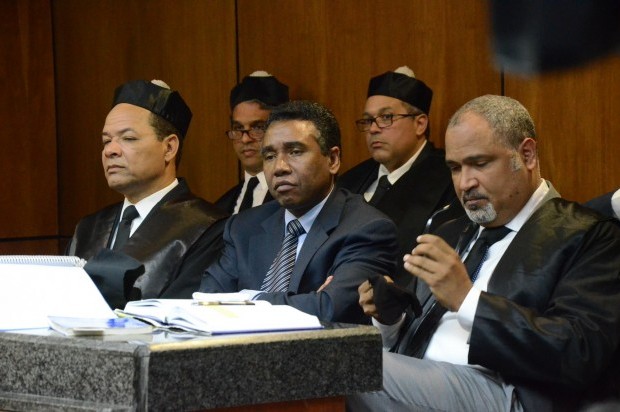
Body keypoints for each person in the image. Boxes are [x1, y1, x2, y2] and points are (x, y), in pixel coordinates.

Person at [348, 95, 620, 411]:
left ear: (527, 155)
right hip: (420, 379)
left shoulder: (590, 235)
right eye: (455, 168)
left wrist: (467, 300)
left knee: (346, 365)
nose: (465, 183)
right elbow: (414, 339)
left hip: (509, 391)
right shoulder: (449, 229)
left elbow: (579, 353)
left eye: (479, 164)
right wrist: (390, 319)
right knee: (327, 356)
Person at [200, 100, 398, 324]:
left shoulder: (367, 228)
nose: (279, 167)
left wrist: (246, 299)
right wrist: (308, 302)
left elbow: (330, 308)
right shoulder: (243, 227)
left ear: (333, 160)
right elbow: (206, 303)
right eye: (270, 156)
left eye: (295, 152)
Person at [67, 79, 227, 309]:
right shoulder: (88, 229)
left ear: (169, 148)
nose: (110, 150)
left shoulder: (208, 227)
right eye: (106, 141)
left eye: (128, 138)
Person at [337, 66, 462, 286]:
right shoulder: (349, 180)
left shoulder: (449, 178)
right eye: (368, 120)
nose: (373, 129)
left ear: (420, 124)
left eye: (386, 117)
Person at [215, 71, 289, 214]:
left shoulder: (294, 199)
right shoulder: (219, 208)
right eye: (238, 128)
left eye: (257, 127)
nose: (245, 139)